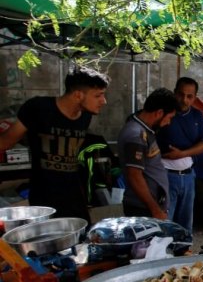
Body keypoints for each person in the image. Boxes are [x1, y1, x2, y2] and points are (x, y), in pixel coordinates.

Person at [0, 66, 109, 222]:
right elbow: (5, 142)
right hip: (44, 198)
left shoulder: (86, 116)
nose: (103, 101)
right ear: (78, 95)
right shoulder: (38, 108)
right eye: (98, 95)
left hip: (75, 196)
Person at [156, 77, 203, 234]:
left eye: (189, 96)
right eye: (180, 94)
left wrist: (182, 153)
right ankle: (165, 254)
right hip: (166, 175)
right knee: (166, 222)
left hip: (188, 176)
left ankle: (184, 252)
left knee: (185, 222)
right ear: (174, 93)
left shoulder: (197, 116)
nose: (184, 100)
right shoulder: (163, 114)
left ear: (195, 97)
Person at [117, 88, 177, 219]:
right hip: (143, 209)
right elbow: (135, 176)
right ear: (159, 113)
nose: (169, 122)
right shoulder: (136, 135)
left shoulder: (145, 130)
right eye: (169, 117)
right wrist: (155, 210)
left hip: (149, 207)